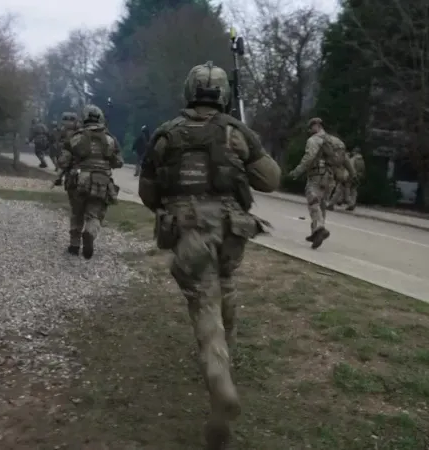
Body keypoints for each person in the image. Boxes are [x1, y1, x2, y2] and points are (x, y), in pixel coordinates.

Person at [138, 61, 280, 449]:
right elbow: (271, 179)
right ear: (224, 95)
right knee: (226, 285)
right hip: (231, 230)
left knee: (204, 300)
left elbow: (148, 192)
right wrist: (246, 147)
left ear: (189, 91)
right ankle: (224, 354)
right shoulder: (236, 132)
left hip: (188, 229)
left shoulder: (166, 133)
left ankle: (219, 377)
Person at [57, 105, 123, 259]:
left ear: (84, 118)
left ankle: (74, 245)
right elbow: (119, 162)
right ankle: (89, 233)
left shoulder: (75, 137)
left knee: (77, 213)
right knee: (94, 214)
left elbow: (63, 162)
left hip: (77, 180)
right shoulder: (110, 139)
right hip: (101, 182)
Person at [288, 118, 355, 249]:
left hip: (317, 176)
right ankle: (316, 234)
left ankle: (319, 228)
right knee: (322, 205)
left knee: (313, 202)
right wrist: (352, 174)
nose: (309, 131)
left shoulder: (314, 140)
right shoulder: (336, 141)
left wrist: (296, 172)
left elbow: (309, 157)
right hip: (331, 178)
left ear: (317, 126)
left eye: (310, 127)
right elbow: (345, 159)